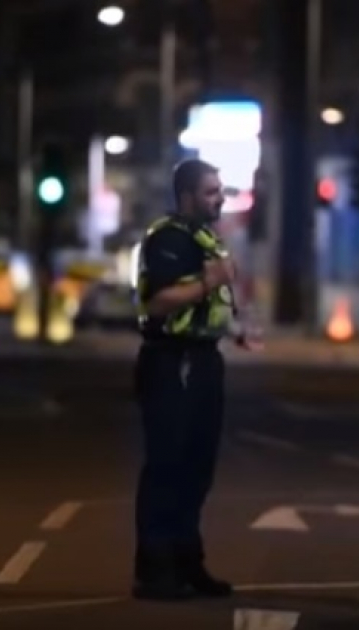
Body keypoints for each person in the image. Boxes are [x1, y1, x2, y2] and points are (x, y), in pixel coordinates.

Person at [131, 158, 260, 601]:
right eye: (210, 192)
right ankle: (155, 569)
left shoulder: (204, 238)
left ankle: (188, 562)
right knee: (168, 465)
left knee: (197, 469)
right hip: (173, 362)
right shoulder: (167, 238)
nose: (219, 198)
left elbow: (211, 301)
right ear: (186, 195)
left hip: (203, 360)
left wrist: (235, 329)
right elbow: (159, 301)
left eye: (219, 190)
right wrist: (209, 283)